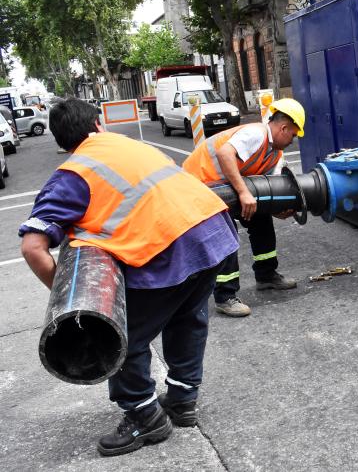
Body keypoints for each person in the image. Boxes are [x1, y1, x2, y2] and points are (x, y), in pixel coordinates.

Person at [19, 98, 238, 457]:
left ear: (62, 142)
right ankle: (182, 401)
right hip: (213, 231)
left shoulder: (73, 174)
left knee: (119, 338)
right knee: (187, 319)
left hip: (169, 247)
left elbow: (33, 247)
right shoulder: (131, 145)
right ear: (99, 125)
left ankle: (143, 415)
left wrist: (71, 302)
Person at [183, 97, 305, 317]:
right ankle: (225, 296)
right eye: (293, 135)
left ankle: (266, 276)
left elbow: (267, 192)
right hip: (199, 187)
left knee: (261, 218)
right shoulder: (256, 133)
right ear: (284, 127)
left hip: (227, 190)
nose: (293, 140)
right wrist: (243, 192)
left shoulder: (275, 155)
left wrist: (279, 210)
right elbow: (224, 154)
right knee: (226, 231)